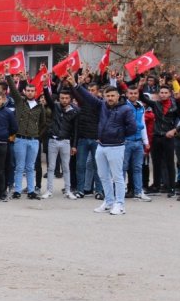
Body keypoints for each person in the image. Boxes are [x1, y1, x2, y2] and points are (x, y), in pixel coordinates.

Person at [67, 71, 136, 215]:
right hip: (102, 146)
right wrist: (75, 85)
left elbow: (132, 128)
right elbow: (88, 97)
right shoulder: (102, 105)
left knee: (117, 176)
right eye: (108, 96)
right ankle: (109, 201)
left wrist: (119, 135)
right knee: (103, 175)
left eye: (112, 96)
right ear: (104, 96)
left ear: (118, 96)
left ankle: (120, 204)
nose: (110, 98)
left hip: (116, 147)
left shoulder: (126, 109)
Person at [5, 64, 46, 200]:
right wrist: (7, 75)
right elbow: (12, 88)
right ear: (24, 92)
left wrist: (37, 135)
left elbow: (43, 123)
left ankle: (31, 191)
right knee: (19, 166)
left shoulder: (40, 107)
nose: (29, 92)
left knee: (30, 167)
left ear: (35, 93)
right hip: (20, 139)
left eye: (32, 91)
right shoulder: (20, 102)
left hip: (33, 140)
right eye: (27, 90)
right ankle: (17, 190)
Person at [140, 84, 179, 196]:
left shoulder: (175, 106)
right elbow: (142, 98)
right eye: (161, 92)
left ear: (170, 94)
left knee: (169, 163)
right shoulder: (155, 104)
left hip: (169, 137)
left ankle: (171, 188)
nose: (163, 95)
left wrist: (174, 130)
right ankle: (156, 186)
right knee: (156, 162)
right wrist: (141, 85)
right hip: (156, 137)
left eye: (165, 93)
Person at [42, 84, 79, 200]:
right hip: (53, 141)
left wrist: (74, 145)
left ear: (70, 99)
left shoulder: (75, 111)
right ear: (59, 99)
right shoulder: (55, 107)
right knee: (51, 168)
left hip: (66, 142)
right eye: (62, 98)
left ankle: (68, 191)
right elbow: (48, 98)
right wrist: (44, 86)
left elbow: (75, 130)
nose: (64, 100)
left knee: (66, 167)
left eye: (66, 98)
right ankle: (49, 190)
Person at [124, 85, 152, 202]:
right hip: (126, 141)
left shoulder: (141, 106)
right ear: (127, 94)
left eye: (135, 93)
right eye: (131, 93)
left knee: (137, 168)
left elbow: (143, 125)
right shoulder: (123, 106)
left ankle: (139, 192)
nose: (133, 95)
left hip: (138, 141)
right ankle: (119, 192)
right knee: (123, 168)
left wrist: (146, 141)